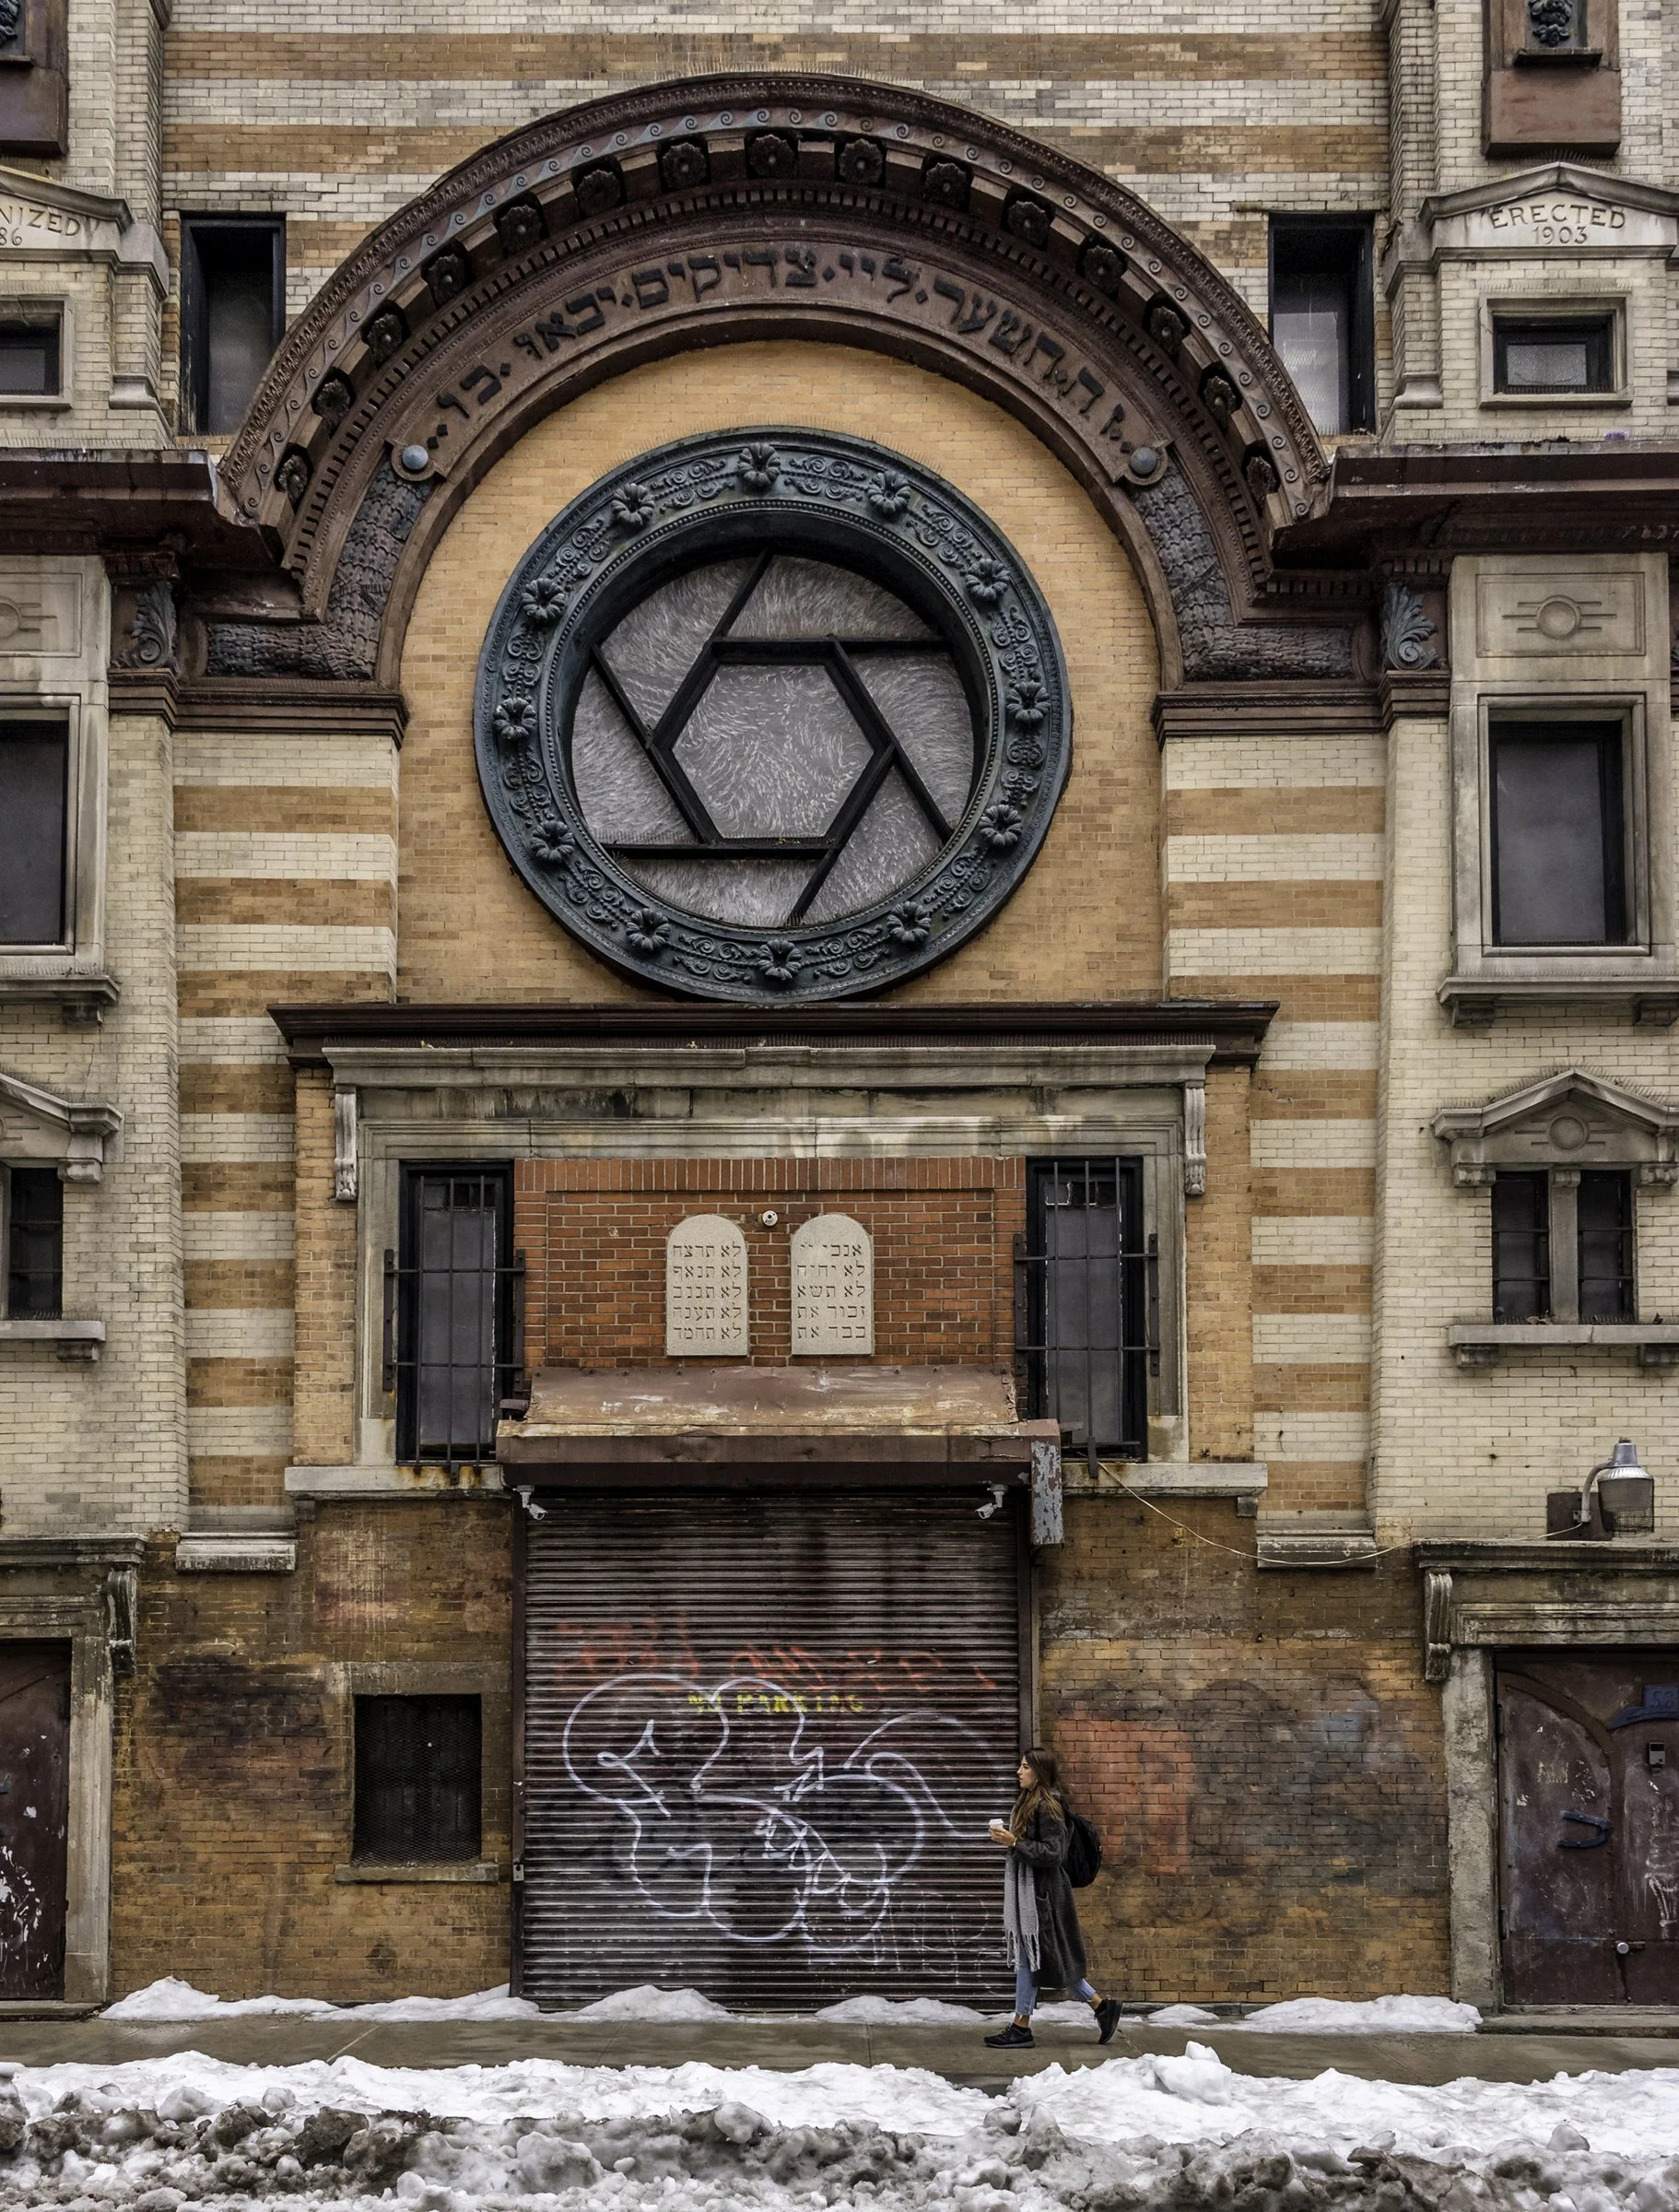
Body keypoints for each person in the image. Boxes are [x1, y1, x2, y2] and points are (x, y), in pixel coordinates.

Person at [983, 1746, 1120, 2049]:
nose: (1019, 1772)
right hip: (1033, 1893)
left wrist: (1015, 1841)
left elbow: (1054, 1853)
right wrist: (1011, 1840)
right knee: (1045, 1959)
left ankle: (1021, 2027)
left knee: (1033, 1959)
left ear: (1039, 1773)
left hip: (1045, 1896)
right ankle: (1100, 2007)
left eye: (1025, 1768)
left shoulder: (1049, 1806)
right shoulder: (1029, 1801)